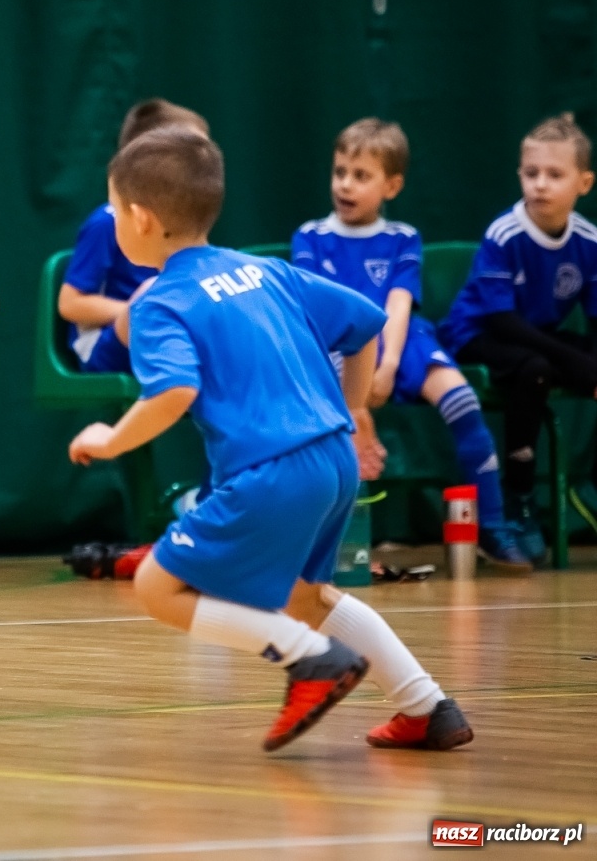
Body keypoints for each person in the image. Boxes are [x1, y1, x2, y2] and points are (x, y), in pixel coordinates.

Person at [70, 125, 472, 752]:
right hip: (335, 458)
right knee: (305, 596)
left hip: (272, 471)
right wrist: (352, 408)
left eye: (115, 209)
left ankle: (309, 657)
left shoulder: (159, 303)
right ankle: (427, 706)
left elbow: (172, 393)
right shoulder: (264, 270)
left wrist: (110, 438)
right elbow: (365, 326)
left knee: (156, 585)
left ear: (140, 219)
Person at [292, 119, 528, 569]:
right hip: (337, 347)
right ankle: (337, 548)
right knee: (336, 420)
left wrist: (388, 362)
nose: (345, 184)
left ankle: (492, 526)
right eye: (340, 171)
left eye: (361, 176)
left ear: (392, 185)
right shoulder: (311, 236)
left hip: (401, 341)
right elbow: (319, 313)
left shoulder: (403, 238)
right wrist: (359, 396)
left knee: (462, 399)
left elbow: (399, 306)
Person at [439, 114, 597, 562]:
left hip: (540, 335)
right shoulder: (504, 234)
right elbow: (503, 322)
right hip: (480, 333)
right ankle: (521, 497)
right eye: (531, 174)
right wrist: (579, 365)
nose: (540, 185)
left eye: (554, 175)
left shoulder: (589, 241)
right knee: (537, 370)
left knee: (563, 362)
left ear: (584, 183)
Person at [57, 99, 208, 373]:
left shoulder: (183, 224)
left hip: (159, 330)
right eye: (188, 155)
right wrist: (142, 309)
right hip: (103, 346)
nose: (202, 162)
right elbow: (70, 304)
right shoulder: (106, 222)